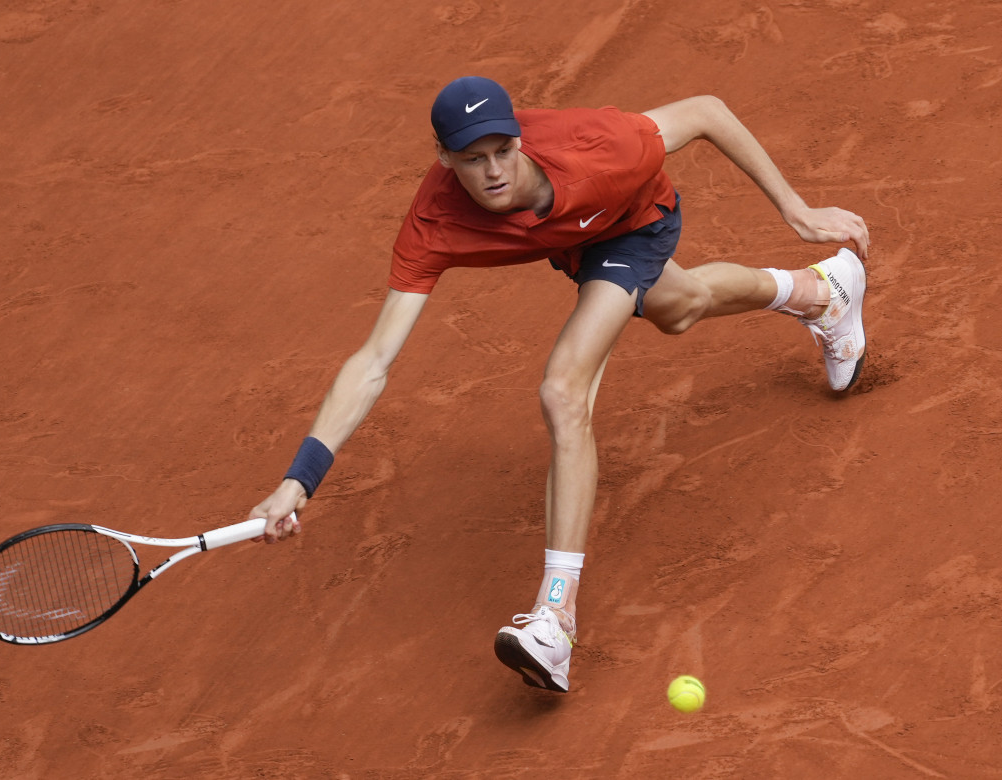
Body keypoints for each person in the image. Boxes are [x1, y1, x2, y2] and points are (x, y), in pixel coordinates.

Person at [249, 76, 869, 692]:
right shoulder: (432, 221)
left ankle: (555, 618)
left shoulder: (598, 147)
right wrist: (298, 479)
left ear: (519, 139)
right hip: (574, 238)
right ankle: (825, 293)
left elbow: (706, 110)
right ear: (442, 158)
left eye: (502, 151)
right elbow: (374, 359)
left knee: (563, 389)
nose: (492, 171)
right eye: (471, 159)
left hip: (633, 216)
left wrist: (797, 207)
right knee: (681, 308)